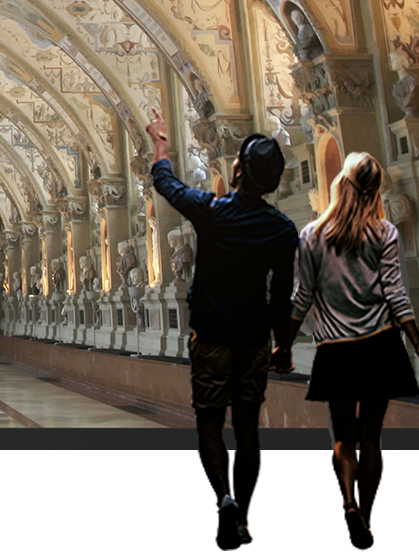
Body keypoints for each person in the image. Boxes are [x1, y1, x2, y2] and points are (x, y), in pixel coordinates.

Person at [145, 108, 297, 550]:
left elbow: (166, 184)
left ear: (236, 172)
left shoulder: (212, 212)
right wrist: (282, 346)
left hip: (210, 337)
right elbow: (281, 298)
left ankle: (224, 497)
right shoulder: (282, 230)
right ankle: (243, 515)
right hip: (253, 340)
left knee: (209, 422)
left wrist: (161, 145)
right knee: (248, 429)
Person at [275, 152, 419, 550]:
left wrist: (283, 344)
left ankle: (348, 504)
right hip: (380, 345)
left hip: (335, 349)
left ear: (341, 184)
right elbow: (395, 293)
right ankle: (365, 517)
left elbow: (302, 297)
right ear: (375, 191)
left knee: (343, 437)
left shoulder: (312, 234)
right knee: (373, 437)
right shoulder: (384, 233)